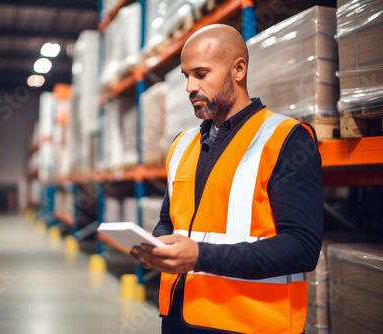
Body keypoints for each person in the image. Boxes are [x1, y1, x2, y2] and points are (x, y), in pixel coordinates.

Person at [130, 24, 323, 333]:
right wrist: (158, 247)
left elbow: (302, 248)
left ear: (239, 69)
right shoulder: (182, 145)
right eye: (185, 77)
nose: (189, 87)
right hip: (180, 317)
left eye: (201, 74)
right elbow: (170, 219)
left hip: (249, 323)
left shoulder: (286, 139)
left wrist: (199, 256)